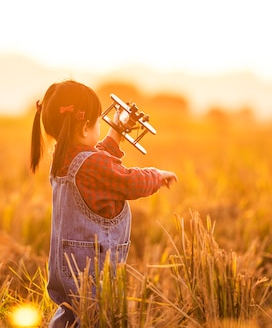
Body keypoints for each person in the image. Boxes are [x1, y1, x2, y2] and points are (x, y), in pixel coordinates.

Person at [30, 80, 178, 327]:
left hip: (64, 269)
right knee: (97, 318)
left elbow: (97, 159)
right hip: (92, 270)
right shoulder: (90, 164)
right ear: (85, 126)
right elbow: (128, 182)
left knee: (71, 314)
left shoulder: (62, 156)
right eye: (99, 122)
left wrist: (116, 133)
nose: (100, 126)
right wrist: (156, 176)